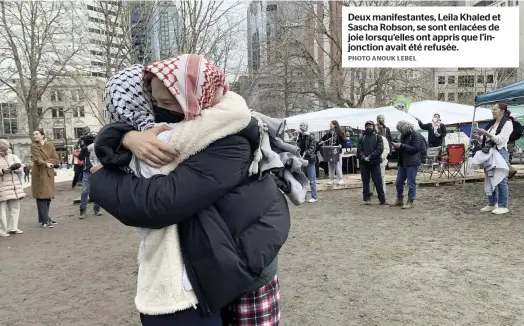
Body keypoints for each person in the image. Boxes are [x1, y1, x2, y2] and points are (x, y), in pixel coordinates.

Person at [90, 56, 289, 326]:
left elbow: (158, 204)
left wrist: (100, 179)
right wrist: (125, 136)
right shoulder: (181, 133)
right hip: (215, 266)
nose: (160, 111)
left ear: (197, 99)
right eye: (155, 102)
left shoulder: (228, 140)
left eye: (169, 103)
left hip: (247, 273)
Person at [473, 103, 513, 215]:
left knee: (501, 179)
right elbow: (486, 139)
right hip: (489, 153)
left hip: (500, 152)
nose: (492, 111)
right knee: (490, 178)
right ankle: (491, 203)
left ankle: (503, 205)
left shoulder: (508, 124)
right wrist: (479, 136)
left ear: (502, 111)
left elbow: (500, 140)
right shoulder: (492, 123)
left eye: (494, 109)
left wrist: (487, 133)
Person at [390, 121, 426, 209]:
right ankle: (399, 199)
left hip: (412, 162)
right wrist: (397, 147)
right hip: (403, 162)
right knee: (398, 182)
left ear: (404, 128)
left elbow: (416, 148)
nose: (400, 131)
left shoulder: (416, 135)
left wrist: (401, 145)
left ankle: (410, 201)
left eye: (400, 129)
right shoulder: (404, 136)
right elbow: (403, 149)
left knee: (411, 183)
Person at [30, 129, 59, 228]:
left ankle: (44, 218)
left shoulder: (50, 145)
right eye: (33, 134)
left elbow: (55, 158)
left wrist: (47, 162)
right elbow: (37, 160)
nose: (34, 136)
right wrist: (47, 163)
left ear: (42, 135)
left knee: (48, 196)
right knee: (41, 196)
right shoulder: (33, 146)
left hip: (48, 173)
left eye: (36, 134)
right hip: (39, 173)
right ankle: (45, 220)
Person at [0, 140, 26, 236]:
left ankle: (13, 227)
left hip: (13, 185)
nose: (6, 151)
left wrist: (18, 169)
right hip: (1, 186)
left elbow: (20, 167)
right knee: (1, 209)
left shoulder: (12, 156)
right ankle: (2, 230)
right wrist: (2, 170)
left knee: (15, 207)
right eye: (4, 149)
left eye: (7, 149)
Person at [358, 121, 387, 205]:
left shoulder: (378, 137)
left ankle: (382, 199)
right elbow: (359, 149)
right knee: (365, 181)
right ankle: (366, 199)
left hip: (375, 162)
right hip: (364, 163)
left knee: (378, 181)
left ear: (373, 126)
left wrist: (370, 156)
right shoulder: (362, 138)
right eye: (367, 126)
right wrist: (363, 157)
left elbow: (380, 149)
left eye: (370, 125)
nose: (369, 127)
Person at [77, 138, 101, 219]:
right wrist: (83, 150)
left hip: (96, 171)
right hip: (87, 172)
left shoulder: (96, 147)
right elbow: (80, 158)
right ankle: (82, 210)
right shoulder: (85, 149)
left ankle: (97, 208)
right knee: (85, 191)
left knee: (97, 191)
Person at [320, 120, 346, 185]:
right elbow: (323, 138)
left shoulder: (340, 132)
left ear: (335, 125)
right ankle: (331, 179)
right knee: (330, 165)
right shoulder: (329, 132)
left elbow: (343, 141)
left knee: (337, 165)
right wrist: (320, 141)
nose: (330, 125)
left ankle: (340, 179)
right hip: (329, 150)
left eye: (331, 124)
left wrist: (340, 145)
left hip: (337, 151)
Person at [297, 122, 318, 203]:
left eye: (303, 127)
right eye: (301, 126)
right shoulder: (299, 136)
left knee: (312, 180)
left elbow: (312, 148)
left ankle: (314, 197)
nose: (302, 128)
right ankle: (303, 196)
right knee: (303, 179)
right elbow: (297, 146)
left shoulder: (311, 137)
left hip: (310, 160)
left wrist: (306, 152)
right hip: (301, 160)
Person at [371, 125, 390, 197]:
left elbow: (386, 149)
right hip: (372, 161)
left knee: (381, 176)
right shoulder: (369, 138)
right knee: (371, 177)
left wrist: (381, 158)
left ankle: (382, 192)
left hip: (380, 161)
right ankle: (371, 191)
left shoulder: (383, 138)